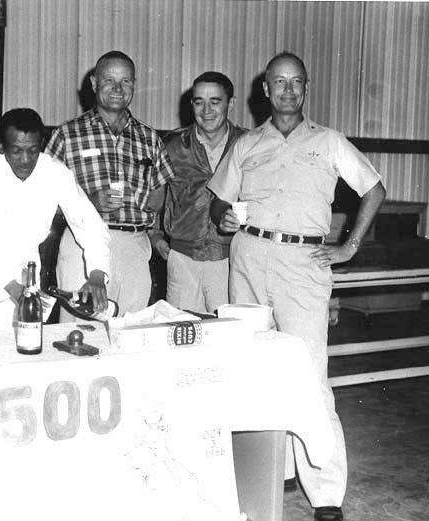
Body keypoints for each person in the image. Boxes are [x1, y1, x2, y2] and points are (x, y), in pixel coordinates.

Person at [208, 52, 386, 521]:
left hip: (303, 264)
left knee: (310, 376)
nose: (287, 90)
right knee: (251, 370)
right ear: (263, 90)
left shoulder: (328, 142)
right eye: (278, 83)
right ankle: (270, 472)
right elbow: (218, 202)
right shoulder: (246, 144)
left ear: (305, 89)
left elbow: (374, 188)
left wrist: (349, 246)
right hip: (248, 257)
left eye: (296, 83)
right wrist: (222, 217)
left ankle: (326, 494)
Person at [45, 50, 174, 319]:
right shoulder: (66, 135)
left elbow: (159, 200)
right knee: (78, 333)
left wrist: (155, 203)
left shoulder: (149, 138)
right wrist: (89, 202)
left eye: (125, 81)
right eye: (109, 80)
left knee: (131, 333)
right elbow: (44, 205)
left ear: (134, 85)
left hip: (133, 246)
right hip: (82, 246)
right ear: (93, 83)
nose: (117, 88)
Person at [0, 108, 110, 328]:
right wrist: (14, 289)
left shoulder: (55, 172)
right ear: (0, 146)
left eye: (33, 150)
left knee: (25, 352)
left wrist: (97, 273)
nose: (26, 159)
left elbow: (89, 222)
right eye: (16, 151)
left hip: (27, 276)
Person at [149, 71, 246, 314]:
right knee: (181, 336)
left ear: (230, 103)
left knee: (226, 336)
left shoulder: (248, 145)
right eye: (199, 102)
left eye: (215, 101)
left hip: (230, 260)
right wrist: (155, 236)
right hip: (182, 260)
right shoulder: (172, 145)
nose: (207, 110)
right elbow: (156, 198)